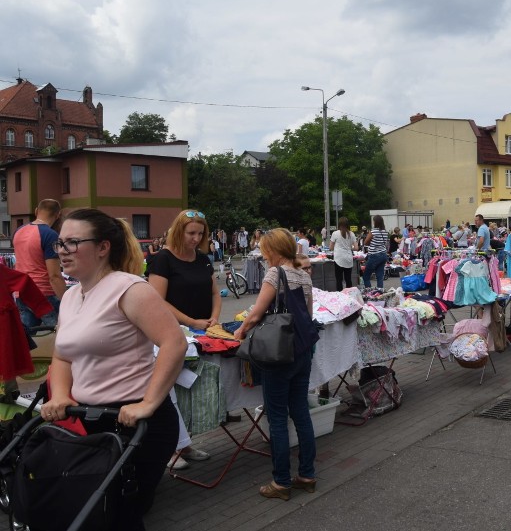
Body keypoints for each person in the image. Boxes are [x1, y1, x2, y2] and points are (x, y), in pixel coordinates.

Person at [39, 208, 186, 530]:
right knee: (99, 510)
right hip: (93, 420)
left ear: (103, 247)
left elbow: (174, 343)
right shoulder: (71, 296)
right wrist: (61, 395)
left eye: (73, 243)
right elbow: (63, 356)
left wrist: (148, 402)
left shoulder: (130, 289)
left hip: (138, 425)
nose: (62, 251)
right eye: (59, 244)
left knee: (120, 512)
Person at [233, 229, 317, 501]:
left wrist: (240, 331)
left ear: (274, 251)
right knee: (301, 412)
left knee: (278, 417)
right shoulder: (304, 275)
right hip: (302, 350)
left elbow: (257, 313)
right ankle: (307, 475)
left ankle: (281, 482)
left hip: (279, 353)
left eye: (265, 249)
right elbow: (308, 313)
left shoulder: (275, 273)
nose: (262, 254)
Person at [147, 209, 219, 468]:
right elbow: (157, 300)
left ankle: (184, 444)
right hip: (171, 335)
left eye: (200, 234)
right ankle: (173, 447)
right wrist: (191, 322)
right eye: (191, 233)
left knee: (193, 389)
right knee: (171, 392)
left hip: (202, 333)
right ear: (179, 231)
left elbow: (215, 293)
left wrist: (213, 319)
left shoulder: (202, 258)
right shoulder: (163, 259)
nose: (196, 238)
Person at [12, 198, 65, 330]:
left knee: (26, 337)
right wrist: (67, 299)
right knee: (60, 333)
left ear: (36, 211)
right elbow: (54, 275)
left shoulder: (18, 231)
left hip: (22, 292)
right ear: (58, 215)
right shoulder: (50, 235)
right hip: (44, 294)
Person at [330, 217, 357, 290]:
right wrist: (349, 248)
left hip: (339, 259)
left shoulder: (335, 233)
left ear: (339, 225)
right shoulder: (352, 234)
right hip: (348, 259)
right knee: (348, 279)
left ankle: (340, 296)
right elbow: (356, 248)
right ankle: (350, 295)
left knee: (339, 280)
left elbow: (331, 247)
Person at [362, 215, 389, 289]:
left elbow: (365, 242)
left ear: (375, 222)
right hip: (383, 254)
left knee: (366, 276)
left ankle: (369, 292)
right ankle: (379, 293)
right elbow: (384, 243)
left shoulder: (373, 231)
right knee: (379, 276)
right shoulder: (385, 232)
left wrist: (372, 243)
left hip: (374, 255)